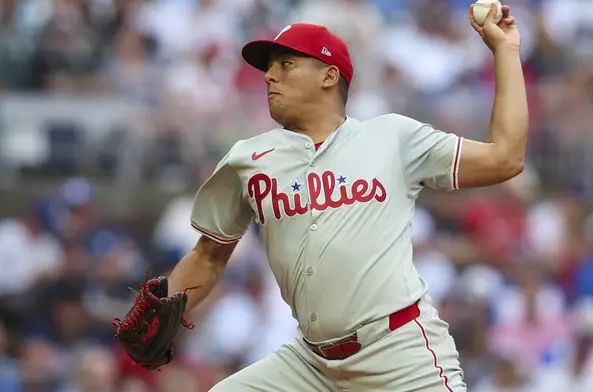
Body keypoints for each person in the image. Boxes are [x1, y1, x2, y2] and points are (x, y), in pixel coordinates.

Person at [167, 4, 527, 391]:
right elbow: (209, 253)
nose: (269, 75)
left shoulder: (391, 137)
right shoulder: (248, 160)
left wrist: (504, 51)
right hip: (311, 364)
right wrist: (168, 309)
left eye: (286, 64)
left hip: (399, 353)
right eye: (269, 67)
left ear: (329, 75)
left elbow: (504, 158)